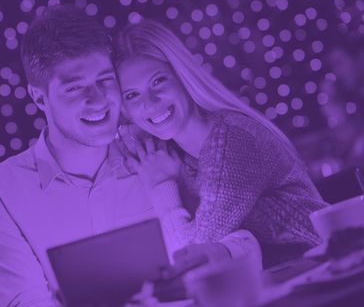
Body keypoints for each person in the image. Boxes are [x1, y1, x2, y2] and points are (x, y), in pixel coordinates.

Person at [0, 5, 260, 307]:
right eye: (75, 87)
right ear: (40, 97)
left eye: (105, 80)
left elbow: (246, 240)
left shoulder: (157, 148)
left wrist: (217, 252)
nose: (98, 100)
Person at [113, 18, 328, 269]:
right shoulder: (175, 156)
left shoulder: (233, 141)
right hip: (281, 282)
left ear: (182, 77)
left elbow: (191, 255)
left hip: (329, 269)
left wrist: (162, 185)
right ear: (125, 109)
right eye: (132, 95)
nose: (149, 103)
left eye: (158, 81)